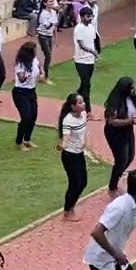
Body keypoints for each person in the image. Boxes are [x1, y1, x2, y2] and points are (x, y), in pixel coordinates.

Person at [102, 77, 136, 194]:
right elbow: (112, 121)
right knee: (121, 160)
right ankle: (112, 186)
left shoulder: (131, 98)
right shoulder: (115, 102)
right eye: (131, 88)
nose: (133, 89)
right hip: (115, 133)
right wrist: (129, 121)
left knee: (130, 156)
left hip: (128, 130)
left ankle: (117, 176)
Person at [56, 92, 90, 221]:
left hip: (79, 153)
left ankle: (71, 206)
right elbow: (65, 139)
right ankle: (67, 211)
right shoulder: (68, 120)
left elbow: (84, 133)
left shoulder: (83, 115)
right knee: (75, 183)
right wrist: (59, 147)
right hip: (70, 155)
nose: (84, 104)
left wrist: (85, 147)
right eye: (80, 102)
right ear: (73, 106)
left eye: (83, 101)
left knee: (83, 182)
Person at [11, 41, 43, 151]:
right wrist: (27, 75)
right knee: (26, 118)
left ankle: (27, 139)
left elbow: (39, 67)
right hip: (20, 92)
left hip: (31, 91)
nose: (36, 52)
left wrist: (42, 72)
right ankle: (19, 142)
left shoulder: (35, 60)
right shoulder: (20, 63)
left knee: (33, 116)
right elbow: (21, 78)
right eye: (34, 50)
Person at [72, 7, 99, 116]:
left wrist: (94, 53)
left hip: (90, 61)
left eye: (91, 16)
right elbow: (82, 45)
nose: (90, 18)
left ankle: (72, 101)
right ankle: (88, 111)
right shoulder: (79, 29)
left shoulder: (91, 27)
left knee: (84, 85)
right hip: (81, 61)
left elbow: (93, 41)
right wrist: (93, 52)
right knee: (87, 86)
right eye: (88, 16)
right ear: (82, 17)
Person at [34, 0, 58, 79]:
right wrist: (52, 21)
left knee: (49, 55)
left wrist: (55, 38)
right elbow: (47, 26)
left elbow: (54, 26)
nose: (52, 3)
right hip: (43, 36)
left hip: (49, 35)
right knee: (48, 55)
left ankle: (43, 72)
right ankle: (45, 75)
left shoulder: (54, 12)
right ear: (45, 4)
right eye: (50, 2)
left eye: (52, 1)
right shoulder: (43, 14)